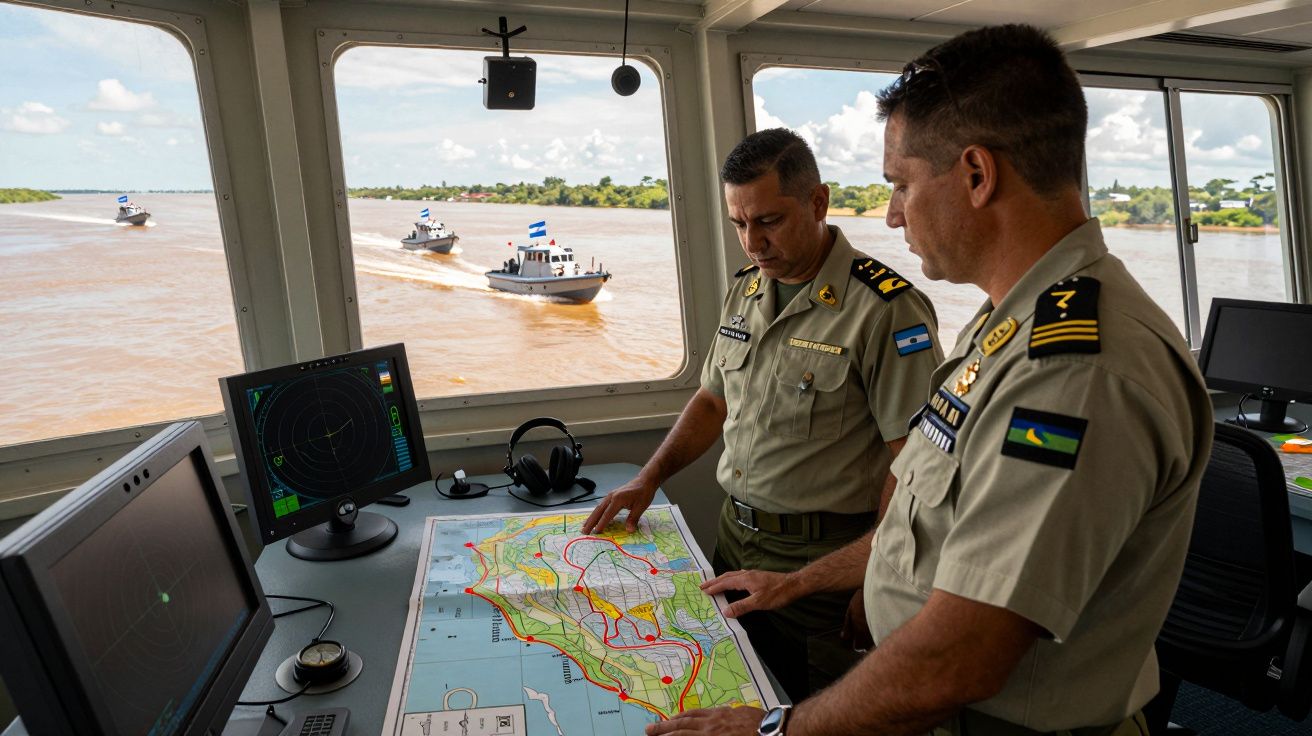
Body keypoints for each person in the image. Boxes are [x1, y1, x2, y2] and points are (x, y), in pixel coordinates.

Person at [647, 24, 1213, 736]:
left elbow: (962, 656)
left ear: (977, 175)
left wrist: (773, 731)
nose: (891, 214)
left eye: (901, 184)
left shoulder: (1072, 372)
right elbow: (924, 527)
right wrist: (798, 582)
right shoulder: (1007, 326)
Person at [582, 128, 943, 701]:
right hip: (734, 540)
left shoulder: (885, 311)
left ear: (818, 203)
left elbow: (915, 463)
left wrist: (877, 576)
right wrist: (649, 478)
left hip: (825, 563)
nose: (752, 242)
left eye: (769, 220)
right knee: (732, 696)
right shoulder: (748, 291)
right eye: (739, 224)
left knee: (813, 710)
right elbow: (712, 399)